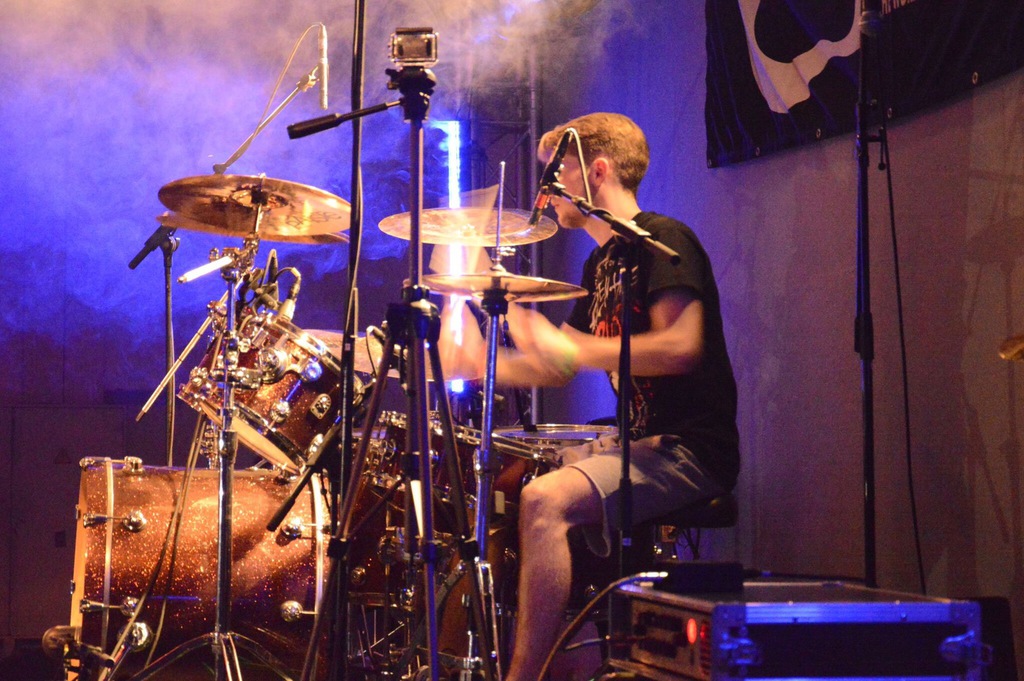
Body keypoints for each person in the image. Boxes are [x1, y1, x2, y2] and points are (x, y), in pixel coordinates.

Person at [440, 112, 739, 681]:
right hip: (637, 442)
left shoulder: (663, 242)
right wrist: (484, 364)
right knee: (510, 488)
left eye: (554, 176)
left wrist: (573, 348)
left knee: (544, 501)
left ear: (597, 172)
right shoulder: (599, 263)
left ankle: (524, 677)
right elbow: (557, 366)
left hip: (690, 449)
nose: (545, 193)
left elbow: (681, 347)